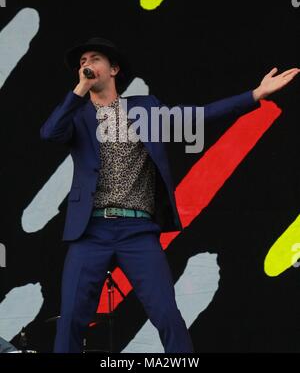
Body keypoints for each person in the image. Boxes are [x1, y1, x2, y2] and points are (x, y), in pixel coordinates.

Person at [40, 37, 299, 353]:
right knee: (71, 320)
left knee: (166, 314)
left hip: (137, 232)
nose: (86, 65)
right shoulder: (77, 117)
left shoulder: (144, 108)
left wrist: (255, 95)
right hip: (91, 231)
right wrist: (79, 90)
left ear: (113, 68)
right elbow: (50, 133)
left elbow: (198, 116)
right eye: (82, 62)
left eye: (94, 59)